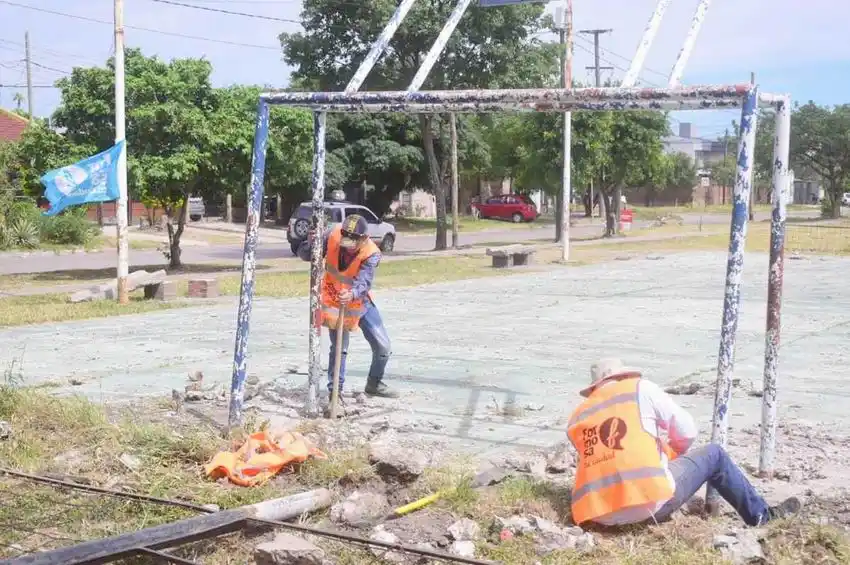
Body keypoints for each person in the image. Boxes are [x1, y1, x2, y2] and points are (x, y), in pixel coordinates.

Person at [566, 358, 801, 528]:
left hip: (598, 516)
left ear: (594, 388)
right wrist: (673, 455)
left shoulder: (578, 417)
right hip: (649, 505)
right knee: (715, 455)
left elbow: (603, 459)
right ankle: (761, 517)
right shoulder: (640, 388)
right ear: (624, 376)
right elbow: (687, 432)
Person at [298, 214, 397, 417]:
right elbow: (306, 255)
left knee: (383, 347)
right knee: (339, 349)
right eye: (345, 240)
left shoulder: (372, 253)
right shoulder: (332, 236)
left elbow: (364, 281)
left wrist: (352, 293)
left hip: (359, 302)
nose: (347, 247)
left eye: (353, 243)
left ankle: (374, 383)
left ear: (364, 238)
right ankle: (335, 395)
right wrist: (311, 243)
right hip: (335, 301)